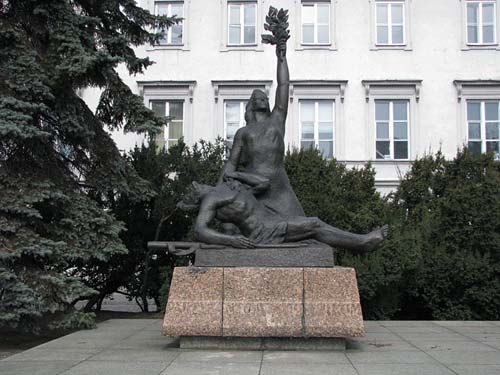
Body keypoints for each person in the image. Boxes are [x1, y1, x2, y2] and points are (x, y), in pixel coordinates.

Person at [179, 171, 388, 252]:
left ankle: (360, 243)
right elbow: (201, 231)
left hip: (274, 221)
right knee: (314, 224)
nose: (195, 184)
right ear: (196, 198)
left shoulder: (231, 186)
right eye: (192, 189)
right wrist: (231, 241)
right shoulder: (211, 199)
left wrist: (237, 174)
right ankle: (361, 243)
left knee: (312, 233)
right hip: (262, 232)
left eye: (194, 184)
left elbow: (263, 183)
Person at [219, 38, 305, 218]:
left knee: (301, 224)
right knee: (241, 229)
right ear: (251, 104)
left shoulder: (277, 120)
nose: (264, 99)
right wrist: (218, 191)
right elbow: (231, 165)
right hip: (253, 187)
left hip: (279, 187)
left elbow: (284, 85)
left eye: (265, 97)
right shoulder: (242, 133)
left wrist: (282, 57)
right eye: (259, 97)